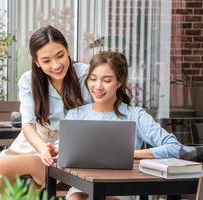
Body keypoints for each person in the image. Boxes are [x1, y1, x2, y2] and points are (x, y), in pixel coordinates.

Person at [0, 25, 92, 198]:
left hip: (73, 144)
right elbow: (28, 125)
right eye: (46, 61)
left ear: (68, 50)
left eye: (60, 55)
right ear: (36, 62)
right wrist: (42, 148)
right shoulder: (28, 80)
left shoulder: (87, 74)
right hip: (36, 140)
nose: (56, 65)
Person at [56, 51, 182, 200]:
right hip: (83, 187)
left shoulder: (135, 116)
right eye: (93, 79)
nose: (98, 86)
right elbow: (62, 149)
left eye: (107, 80)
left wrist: (131, 154)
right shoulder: (76, 115)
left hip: (120, 190)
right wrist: (55, 149)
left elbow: (175, 148)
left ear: (120, 81)